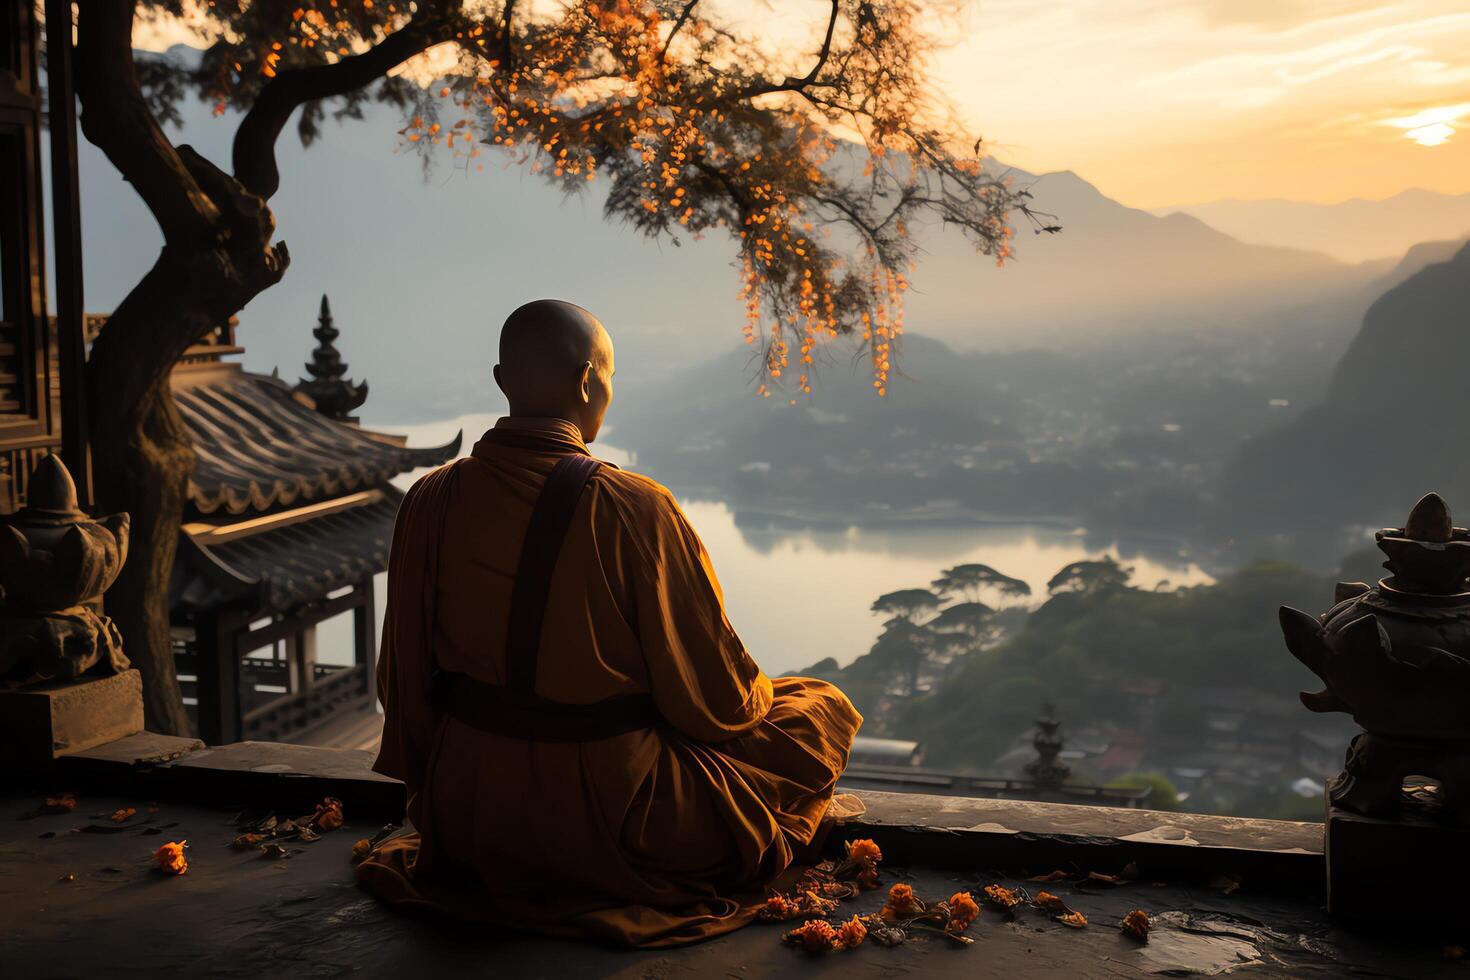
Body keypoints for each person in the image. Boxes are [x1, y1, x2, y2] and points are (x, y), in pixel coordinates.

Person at [358, 300, 862, 947]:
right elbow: (716, 704)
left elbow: (400, 685)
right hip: (616, 815)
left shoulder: (429, 499)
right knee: (818, 706)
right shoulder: (633, 506)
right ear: (591, 381)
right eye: (610, 379)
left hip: (470, 812)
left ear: (502, 381)